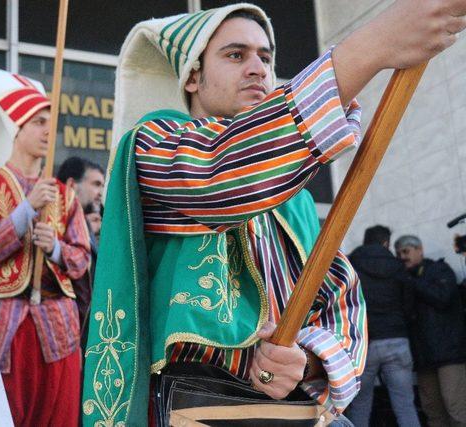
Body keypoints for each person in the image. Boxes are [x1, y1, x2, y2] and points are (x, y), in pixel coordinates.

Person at [82, 1, 466, 426]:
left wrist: (308, 361)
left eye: (265, 57)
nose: (258, 68)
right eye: (235, 54)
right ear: (192, 75)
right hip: (192, 404)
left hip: (294, 408)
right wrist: (371, 48)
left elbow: (341, 299)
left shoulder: (296, 196)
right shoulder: (155, 142)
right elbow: (217, 178)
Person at [0, 65, 91, 427]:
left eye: (50, 121)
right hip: (3, 327)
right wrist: (25, 211)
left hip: (57, 328)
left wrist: (55, 248)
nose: (48, 130)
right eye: (38, 122)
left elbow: (81, 260)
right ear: (17, 128)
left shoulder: (65, 195)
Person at [346, 226, 419, 427]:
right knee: (405, 405)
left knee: (360, 406)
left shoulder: (352, 262)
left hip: (365, 343)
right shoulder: (397, 265)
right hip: (397, 339)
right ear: (386, 242)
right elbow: (409, 303)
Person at [395, 235, 466, 427]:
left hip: (449, 354)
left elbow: (442, 298)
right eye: (399, 253)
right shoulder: (405, 278)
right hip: (424, 358)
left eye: (406, 251)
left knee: (456, 410)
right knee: (433, 412)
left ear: (419, 250)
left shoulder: (439, 270)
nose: (402, 257)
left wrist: (412, 283)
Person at [56, 156, 105, 346]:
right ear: (71, 184)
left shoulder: (99, 223)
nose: (99, 192)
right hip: (64, 329)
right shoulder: (53, 220)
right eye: (95, 184)